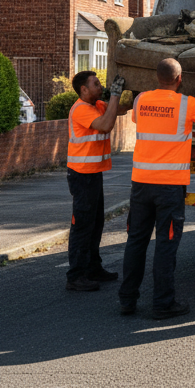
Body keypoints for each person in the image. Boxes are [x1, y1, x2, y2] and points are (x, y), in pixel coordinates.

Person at [118, 59, 195, 318]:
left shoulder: (142, 100)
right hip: (169, 187)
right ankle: (162, 303)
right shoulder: (186, 104)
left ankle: (127, 300)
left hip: (141, 184)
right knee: (165, 244)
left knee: (136, 241)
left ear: (156, 78)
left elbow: (138, 118)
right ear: (180, 79)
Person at [65, 70, 129, 292]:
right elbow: (105, 125)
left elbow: (119, 110)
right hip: (81, 175)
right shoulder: (81, 109)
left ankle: (93, 268)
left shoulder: (97, 104)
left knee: (95, 223)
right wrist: (114, 95)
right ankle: (76, 275)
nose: (100, 86)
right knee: (82, 225)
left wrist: (124, 95)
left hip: (92, 173)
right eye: (95, 83)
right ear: (84, 89)